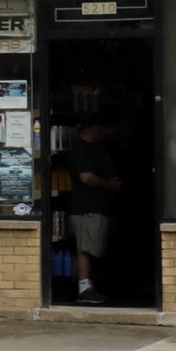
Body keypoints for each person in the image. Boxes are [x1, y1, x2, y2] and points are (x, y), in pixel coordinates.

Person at [68, 120, 121, 305]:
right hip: (86, 209)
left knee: (91, 247)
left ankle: (86, 284)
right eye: (100, 128)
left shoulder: (94, 148)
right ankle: (84, 289)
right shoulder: (82, 149)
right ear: (91, 128)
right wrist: (109, 185)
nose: (103, 132)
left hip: (97, 207)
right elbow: (86, 177)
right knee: (85, 248)